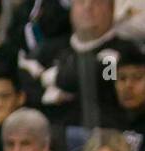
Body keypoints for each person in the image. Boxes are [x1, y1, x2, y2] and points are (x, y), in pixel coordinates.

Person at [20, 0, 129, 128]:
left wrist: (54, 77)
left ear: (111, 9)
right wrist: (46, 96)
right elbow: (24, 73)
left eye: (97, 2)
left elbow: (103, 79)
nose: (88, 7)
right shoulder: (52, 50)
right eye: (81, 2)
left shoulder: (121, 51)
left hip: (102, 135)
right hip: (51, 137)